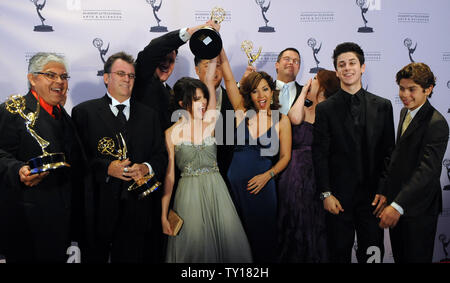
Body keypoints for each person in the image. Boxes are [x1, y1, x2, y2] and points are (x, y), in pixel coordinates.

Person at [71, 52, 167, 263]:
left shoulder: (149, 115)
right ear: (107, 78)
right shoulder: (83, 113)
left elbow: (161, 155)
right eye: (121, 73)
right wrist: (106, 168)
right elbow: (78, 159)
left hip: (138, 211)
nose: (127, 79)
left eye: (131, 76)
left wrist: (146, 167)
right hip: (99, 209)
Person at [161, 57, 252, 263]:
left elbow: (211, 82)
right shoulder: (170, 134)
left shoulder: (210, 121)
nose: (203, 102)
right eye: (196, 99)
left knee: (228, 245)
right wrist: (164, 212)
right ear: (182, 103)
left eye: (203, 98)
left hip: (218, 192)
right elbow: (169, 176)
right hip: (187, 196)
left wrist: (213, 48)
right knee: (193, 248)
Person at [313, 42, 395, 263]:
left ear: (362, 67)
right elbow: (319, 154)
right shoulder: (325, 109)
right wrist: (326, 194)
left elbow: (390, 153)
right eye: (342, 64)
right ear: (337, 71)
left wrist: (384, 191)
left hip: (373, 200)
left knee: (372, 255)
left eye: (352, 63)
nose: (347, 68)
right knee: (338, 254)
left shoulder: (383, 106)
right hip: (338, 199)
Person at [0, 52, 85, 262]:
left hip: (60, 223)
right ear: (32, 78)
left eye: (64, 77)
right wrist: (17, 169)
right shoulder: (14, 110)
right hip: (26, 225)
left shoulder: (62, 114)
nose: (59, 82)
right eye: (51, 75)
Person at [220, 49, 292, 263]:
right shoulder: (241, 111)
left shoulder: (282, 120)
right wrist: (218, 42)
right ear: (248, 94)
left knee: (264, 241)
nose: (261, 96)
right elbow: (229, 78)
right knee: (236, 244)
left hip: (262, 187)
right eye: (255, 91)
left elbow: (285, 157)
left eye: (265, 89)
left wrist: (267, 176)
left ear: (272, 91)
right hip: (233, 189)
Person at [378, 62, 449, 263]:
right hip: (397, 203)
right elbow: (398, 158)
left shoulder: (437, 123)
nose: (404, 95)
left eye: (412, 89)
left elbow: (427, 172)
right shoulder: (405, 112)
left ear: (428, 89)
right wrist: (387, 193)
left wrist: (398, 205)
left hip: (419, 210)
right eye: (401, 88)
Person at [277, 69, 340, 263]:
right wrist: (304, 93)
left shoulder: (329, 111)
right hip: (293, 171)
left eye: (315, 79)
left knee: (313, 221)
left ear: (323, 87)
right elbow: (294, 119)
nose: (310, 80)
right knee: (293, 218)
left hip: (316, 174)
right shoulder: (303, 104)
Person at [133, 20, 219, 131]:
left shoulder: (173, 94)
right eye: (162, 59)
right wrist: (191, 32)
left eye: (171, 60)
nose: (166, 64)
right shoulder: (143, 79)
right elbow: (153, 49)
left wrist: (212, 37)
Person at [194, 56, 235, 190]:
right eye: (208, 65)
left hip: (229, 178)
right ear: (196, 70)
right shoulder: (185, 100)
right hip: (196, 180)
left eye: (217, 65)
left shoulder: (235, 98)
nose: (214, 70)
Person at [275, 47, 311, 115]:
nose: (291, 62)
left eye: (296, 61)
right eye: (287, 59)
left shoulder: (307, 93)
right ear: (277, 65)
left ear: (299, 68)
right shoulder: (266, 90)